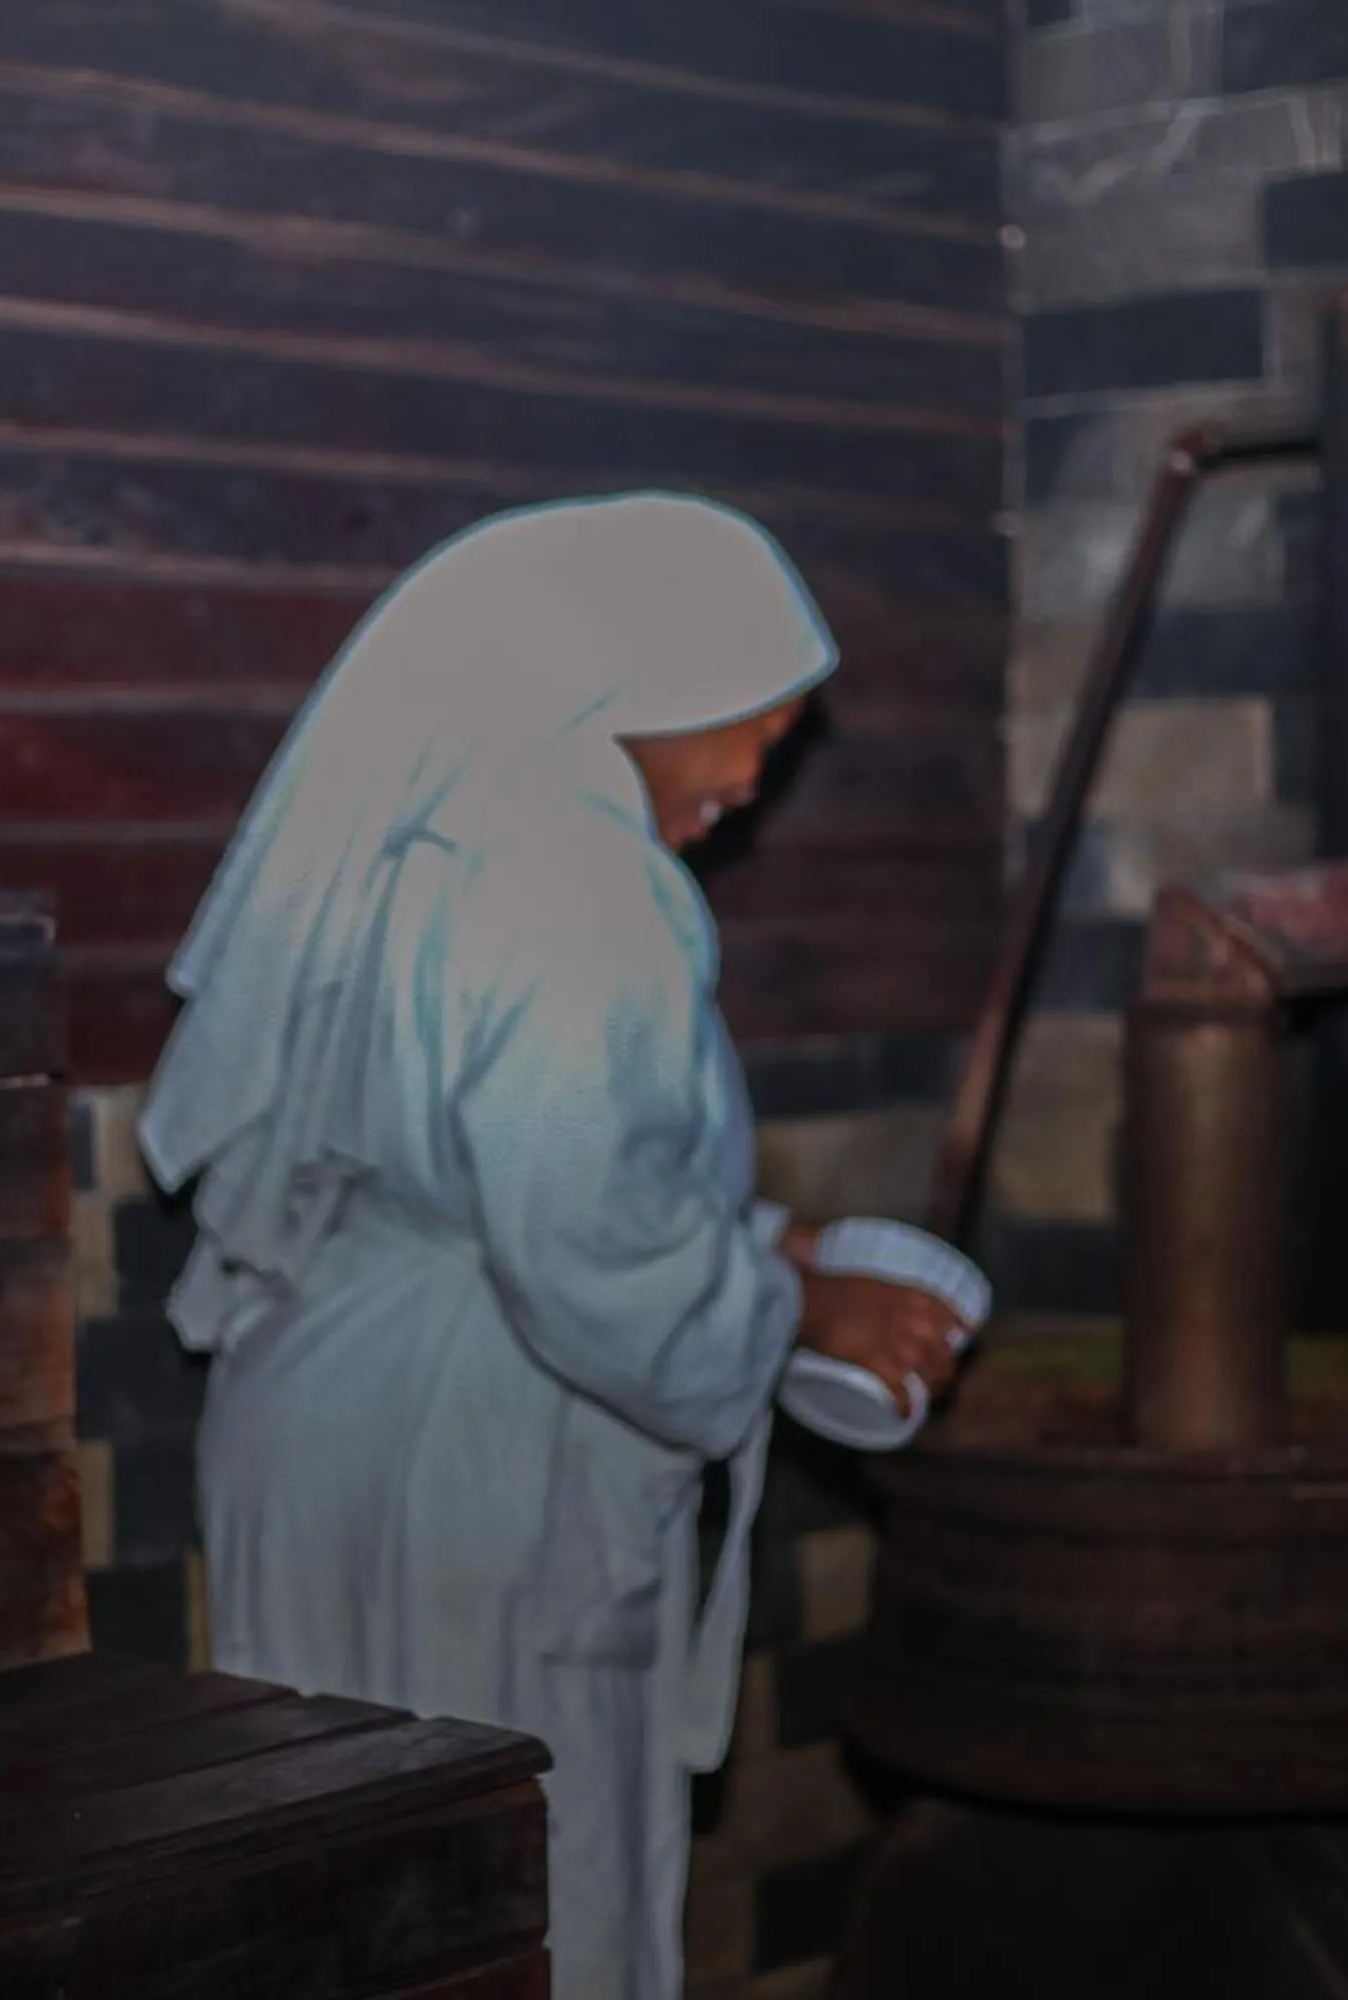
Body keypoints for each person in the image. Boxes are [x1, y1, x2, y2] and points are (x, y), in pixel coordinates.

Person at [137, 490, 966, 1999]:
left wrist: (773, 1247)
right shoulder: (575, 882)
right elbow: (593, 1255)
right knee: (515, 1918)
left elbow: (500, 1168)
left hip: (352, 1411)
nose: (752, 783)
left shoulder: (456, 833)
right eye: (748, 733)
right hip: (471, 1465)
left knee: (363, 1921)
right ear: (639, 691)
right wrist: (786, 1312)